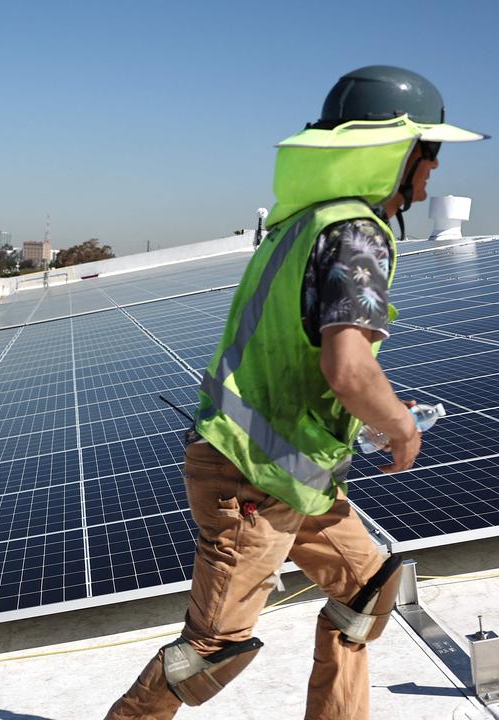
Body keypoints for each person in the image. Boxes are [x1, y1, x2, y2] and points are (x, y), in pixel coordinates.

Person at [104, 66, 487, 720]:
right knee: (210, 651)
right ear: (394, 153)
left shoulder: (301, 224)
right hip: (251, 480)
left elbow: (310, 362)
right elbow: (348, 365)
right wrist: (399, 426)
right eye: (430, 153)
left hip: (290, 473)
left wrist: (355, 420)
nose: (434, 171)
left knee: (368, 590)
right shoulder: (357, 232)